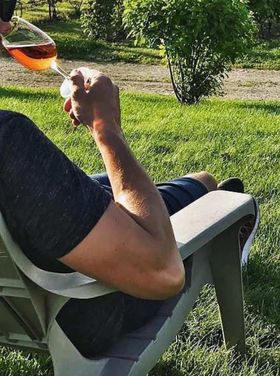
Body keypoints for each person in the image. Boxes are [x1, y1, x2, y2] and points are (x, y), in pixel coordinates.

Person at [0, 52, 249, 358]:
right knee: (204, 183)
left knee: (116, 186)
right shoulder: (7, 140)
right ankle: (219, 234)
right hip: (82, 305)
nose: (6, 26)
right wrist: (105, 126)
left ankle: (146, 201)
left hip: (15, 298)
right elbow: (160, 271)